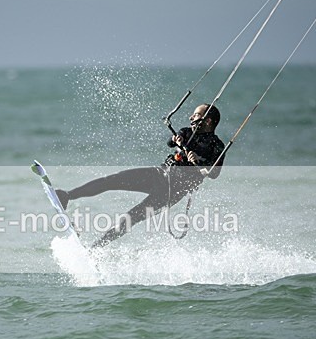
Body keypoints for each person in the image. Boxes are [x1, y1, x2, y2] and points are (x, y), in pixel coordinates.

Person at [56, 104, 226, 248]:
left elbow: (213, 173)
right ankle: (67, 196)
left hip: (173, 192)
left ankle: (94, 248)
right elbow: (170, 142)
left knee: (130, 218)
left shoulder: (217, 146)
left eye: (196, 115)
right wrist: (177, 139)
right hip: (160, 174)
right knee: (112, 180)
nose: (191, 117)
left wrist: (199, 162)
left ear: (208, 121)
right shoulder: (187, 132)